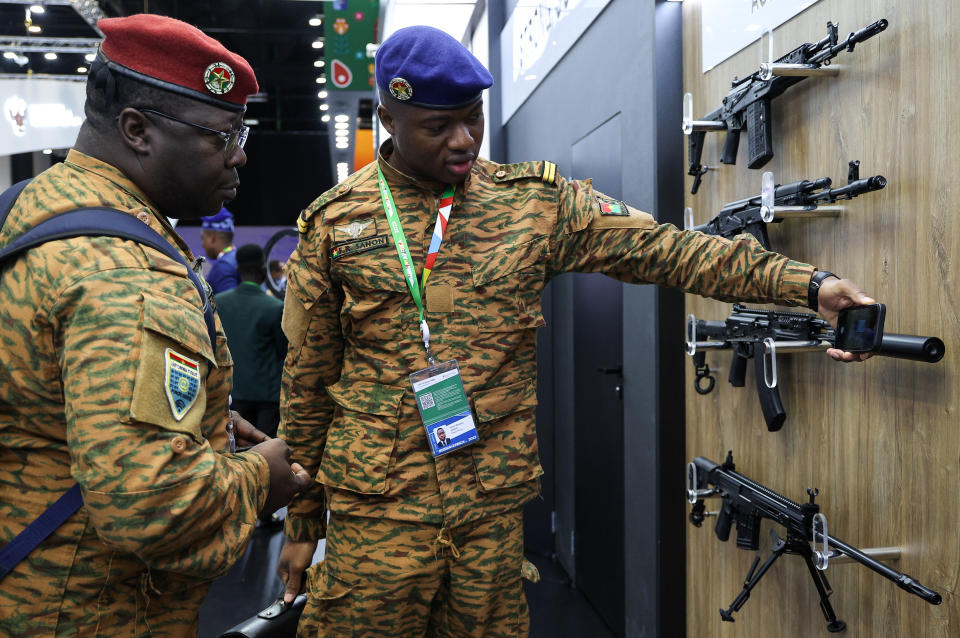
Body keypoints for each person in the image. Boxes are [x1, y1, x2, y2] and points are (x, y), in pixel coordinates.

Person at [276, 25, 874, 636]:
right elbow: (307, 383)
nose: (464, 140)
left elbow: (669, 251)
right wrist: (302, 522)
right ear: (390, 120)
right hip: (378, 512)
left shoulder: (533, 203)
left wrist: (806, 285)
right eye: (438, 127)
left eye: (474, 118)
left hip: (489, 506)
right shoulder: (336, 225)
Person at [0, 14, 310, 636]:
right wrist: (263, 478)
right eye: (221, 136)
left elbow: (46, 394)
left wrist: (205, 422)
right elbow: (154, 506)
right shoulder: (130, 275)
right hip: (93, 610)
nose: (240, 154)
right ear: (137, 131)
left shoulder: (34, 206)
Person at [216, 244, 287, 439]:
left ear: (238, 270)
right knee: (265, 449)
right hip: (267, 397)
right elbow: (283, 351)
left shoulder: (220, 303)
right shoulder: (275, 307)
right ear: (264, 271)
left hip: (232, 394)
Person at [201, 206, 240, 293]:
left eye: (203, 238)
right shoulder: (237, 258)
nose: (202, 244)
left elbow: (228, 305)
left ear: (212, 238)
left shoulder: (223, 266)